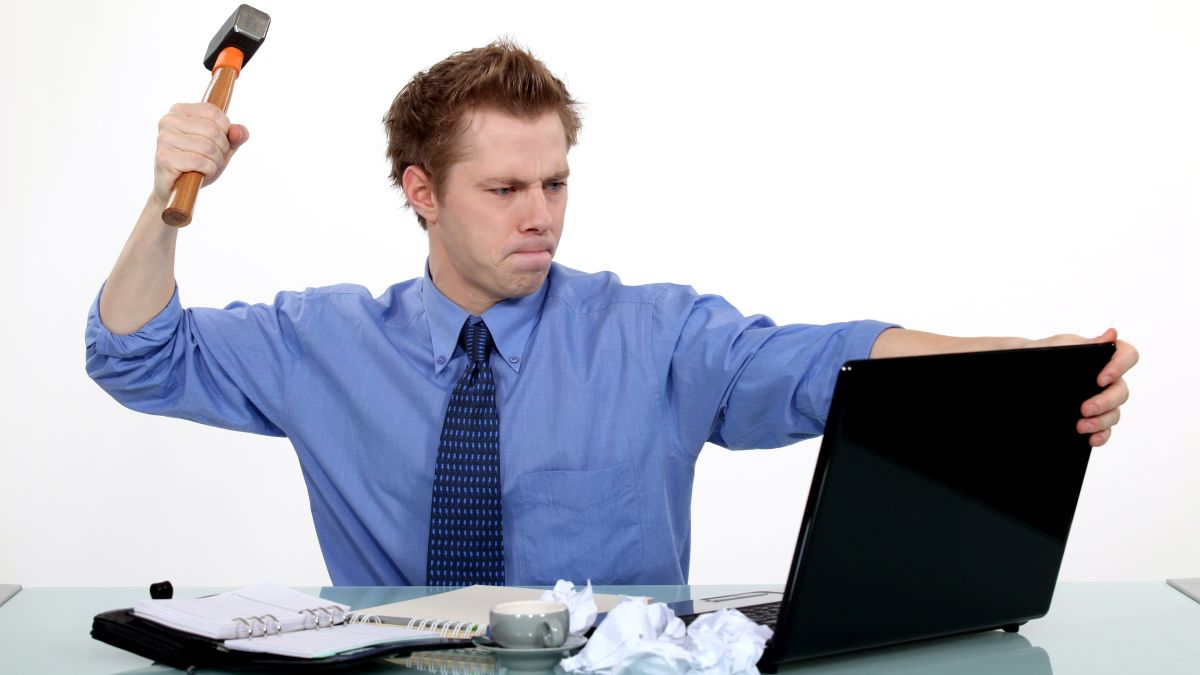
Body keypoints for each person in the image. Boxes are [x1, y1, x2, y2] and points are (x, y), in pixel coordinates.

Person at [86, 41, 1137, 587]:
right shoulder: (319, 343)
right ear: (420, 193)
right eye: (504, 191)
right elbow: (134, 356)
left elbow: (831, 359)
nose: (540, 217)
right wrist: (163, 199)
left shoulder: (655, 335)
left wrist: (1015, 364)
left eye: (555, 184)